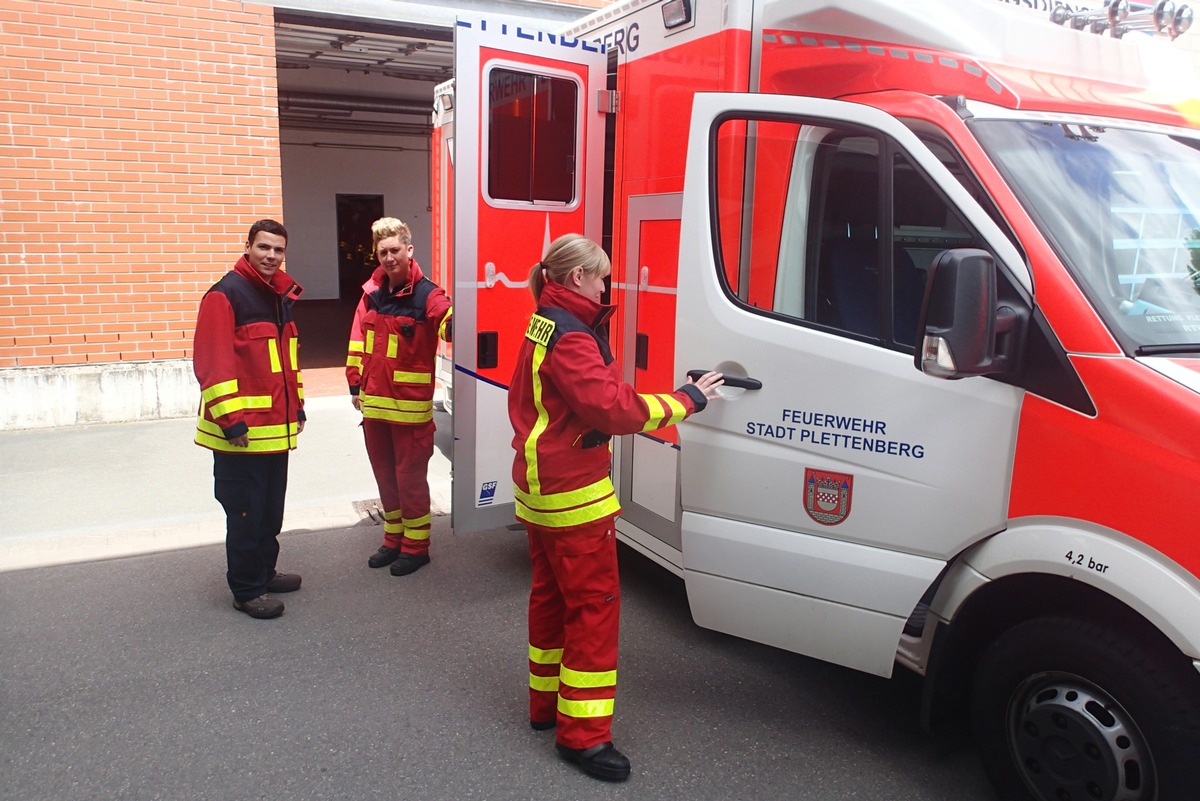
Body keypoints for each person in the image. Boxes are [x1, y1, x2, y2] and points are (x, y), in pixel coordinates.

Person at [507, 233, 723, 782]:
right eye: (601, 276)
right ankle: (582, 737)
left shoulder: (545, 319)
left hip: (540, 488)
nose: (607, 284)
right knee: (594, 610)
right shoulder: (573, 333)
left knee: (551, 598)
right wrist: (686, 400)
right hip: (573, 496)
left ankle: (544, 707)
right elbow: (611, 408)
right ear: (578, 277)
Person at [193, 219, 305, 620]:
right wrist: (231, 421)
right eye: (264, 248)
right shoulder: (226, 295)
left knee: (270, 510)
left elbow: (286, 364)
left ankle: (265, 571)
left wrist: (299, 408)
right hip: (240, 435)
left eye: (278, 250)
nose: (271, 256)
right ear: (248, 247)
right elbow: (212, 363)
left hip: (274, 430)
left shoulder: (277, 295)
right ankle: (246, 589)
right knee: (245, 513)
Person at [346, 217, 452, 577]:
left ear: (409, 250)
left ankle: (417, 546)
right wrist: (354, 384)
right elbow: (357, 341)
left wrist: (459, 319)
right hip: (374, 407)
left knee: (409, 480)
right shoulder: (371, 293)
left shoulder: (428, 294)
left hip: (409, 413)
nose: (389, 257)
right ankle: (393, 539)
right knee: (386, 479)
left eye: (395, 250)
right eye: (383, 252)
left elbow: (446, 319)